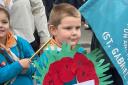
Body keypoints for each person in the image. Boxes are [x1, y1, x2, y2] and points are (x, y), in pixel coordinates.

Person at [0, 5, 36, 85]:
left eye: (4, 22)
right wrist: (18, 66)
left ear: (9, 24)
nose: (1, 25)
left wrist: (27, 69)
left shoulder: (19, 42)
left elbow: (36, 62)